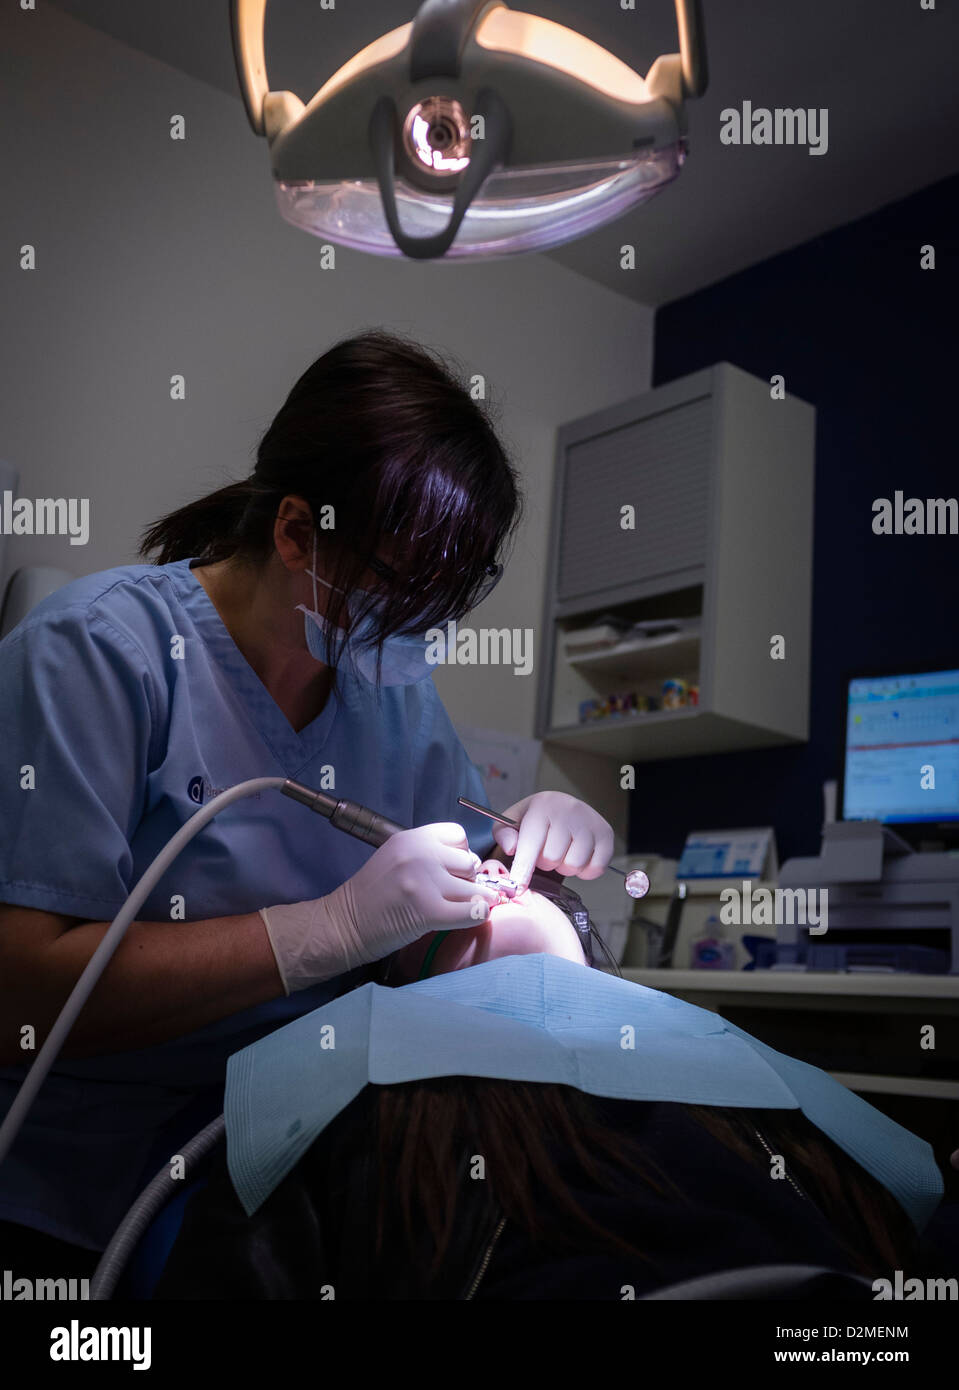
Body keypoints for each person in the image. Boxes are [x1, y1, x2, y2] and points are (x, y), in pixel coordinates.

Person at [0, 330, 615, 1275]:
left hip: (302, 1146)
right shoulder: (94, 653)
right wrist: (320, 931)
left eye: (446, 603)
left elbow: (430, 944)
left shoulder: (394, 701)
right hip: (81, 1187)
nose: (421, 636)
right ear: (296, 532)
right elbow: (23, 996)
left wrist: (518, 889)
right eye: (406, 591)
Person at [152, 880, 946, 1301]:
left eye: (516, 870)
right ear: (395, 972)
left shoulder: (701, 1036)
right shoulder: (357, 1048)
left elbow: (906, 1210)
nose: (494, 872)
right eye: (442, 904)